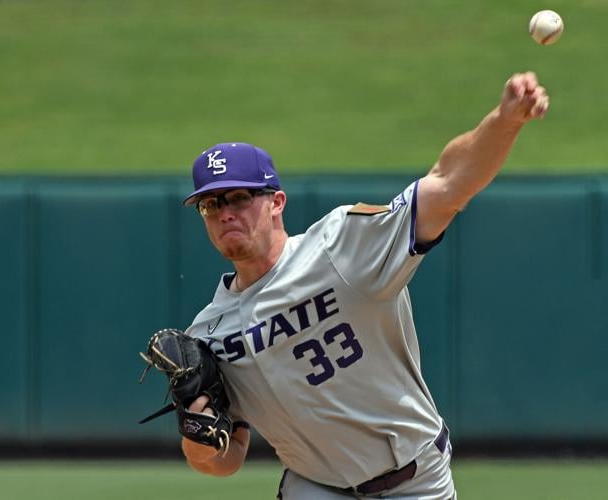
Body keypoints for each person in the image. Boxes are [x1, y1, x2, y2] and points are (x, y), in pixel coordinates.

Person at [178, 72, 549, 499]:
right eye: (210, 204)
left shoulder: (341, 248)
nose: (224, 213)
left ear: (276, 202)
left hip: (416, 481)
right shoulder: (209, 334)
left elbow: (447, 183)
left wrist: (505, 122)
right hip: (314, 487)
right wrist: (197, 439)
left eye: (239, 198)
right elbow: (226, 459)